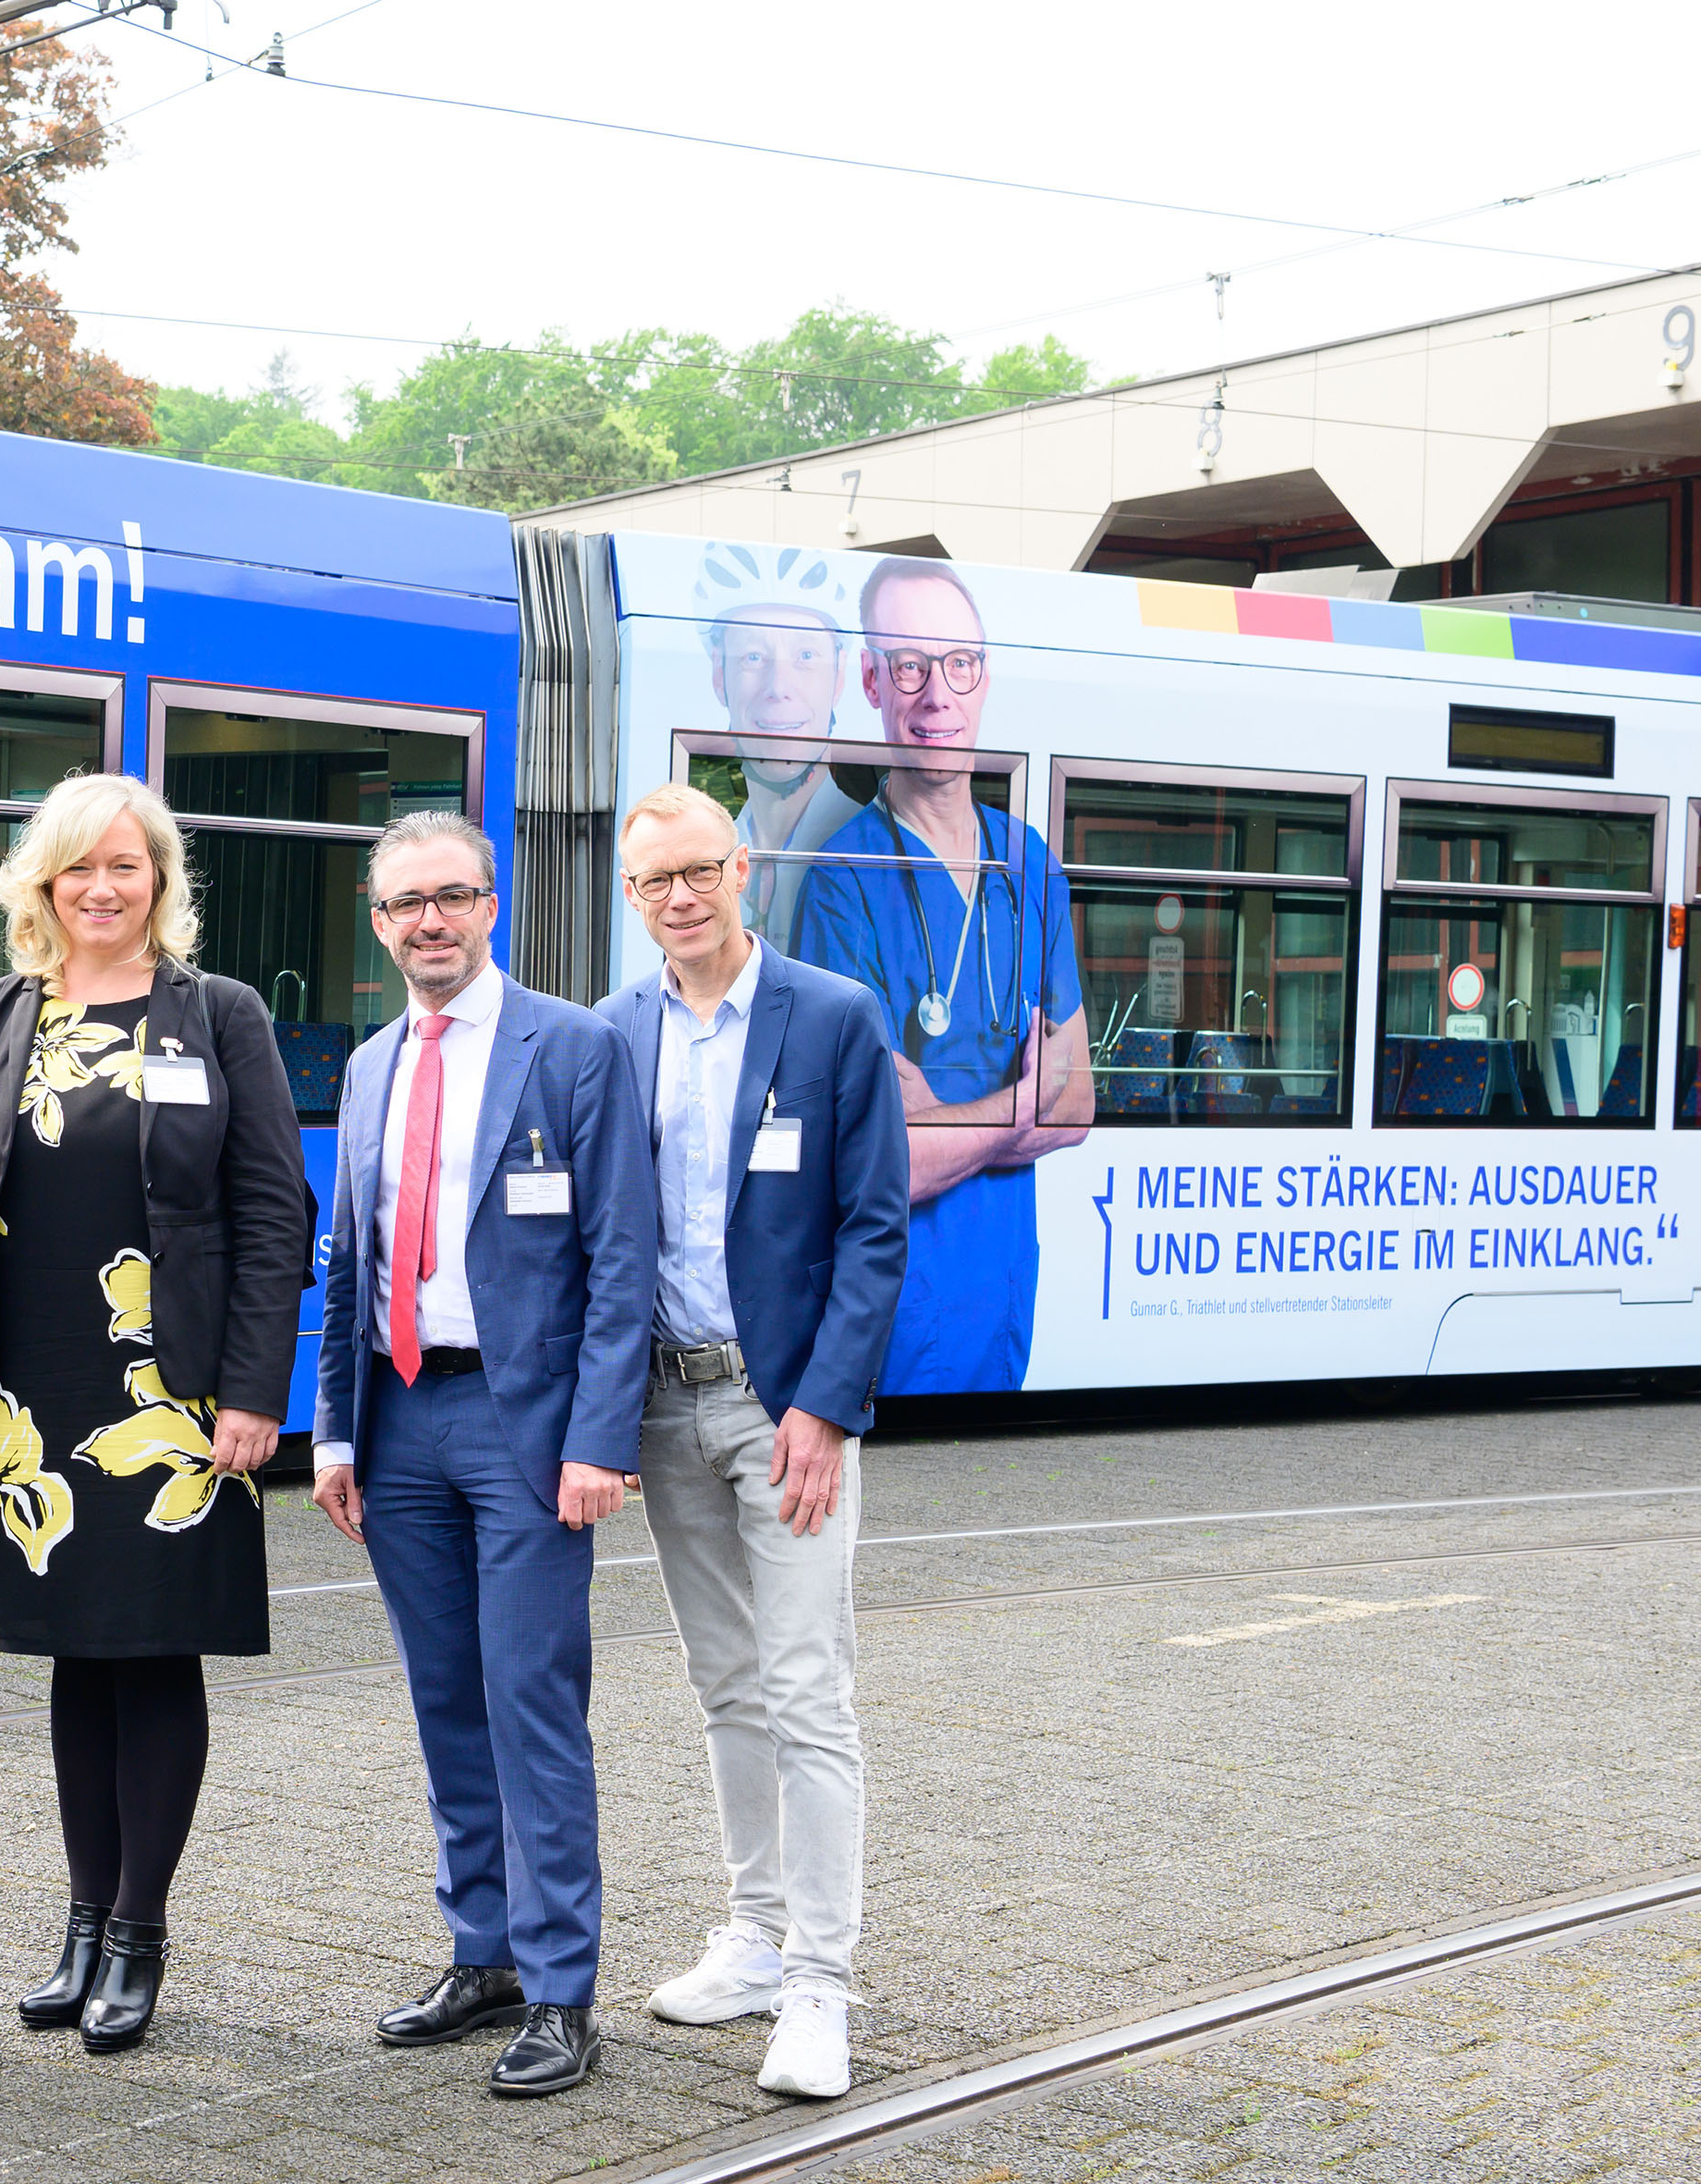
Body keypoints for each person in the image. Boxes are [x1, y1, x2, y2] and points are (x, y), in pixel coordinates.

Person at [0, 770, 311, 2055]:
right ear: (40, 883)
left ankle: (138, 1929)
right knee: (73, 1653)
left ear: (158, 882)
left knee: (153, 1649)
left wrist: (254, 1389)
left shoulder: (218, 1014)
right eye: (76, 865)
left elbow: (270, 1211)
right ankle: (80, 1923)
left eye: (124, 866)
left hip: (170, 1389)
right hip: (29, 1388)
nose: (99, 886)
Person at [308, 809, 655, 2100]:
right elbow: (343, 1255)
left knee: (530, 1700)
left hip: (524, 1430)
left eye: (449, 896)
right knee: (443, 1695)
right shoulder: (366, 1065)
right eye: (403, 903)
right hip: (396, 1419)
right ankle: (483, 1951)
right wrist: (333, 1428)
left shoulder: (571, 1047)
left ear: (489, 904)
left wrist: (597, 1443)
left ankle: (564, 1989)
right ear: (377, 919)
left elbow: (619, 1259)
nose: (428, 921)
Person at [598, 782, 910, 2102]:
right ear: (630, 899)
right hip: (665, 1404)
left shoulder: (830, 1017)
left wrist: (826, 1405)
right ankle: (752, 1933)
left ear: (741, 868)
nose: (678, 895)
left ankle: (821, 1986)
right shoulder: (612, 1034)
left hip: (780, 1409)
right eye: (652, 880)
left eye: (697, 870)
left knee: (804, 1689)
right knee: (722, 1681)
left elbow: (873, 1226)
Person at [793, 558, 1091, 1395]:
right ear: (871, 682)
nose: (936, 695)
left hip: (1001, 1289)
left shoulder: (1027, 862)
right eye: (909, 666)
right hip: (896, 1298)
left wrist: (950, 1119)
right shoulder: (841, 879)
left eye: (958, 663)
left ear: (984, 677)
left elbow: (1076, 1107)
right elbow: (893, 1161)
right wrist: (1016, 1106)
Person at [692, 543, 862, 954]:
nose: (778, 689)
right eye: (753, 656)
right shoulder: (704, 839)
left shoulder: (868, 844)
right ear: (720, 674)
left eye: (806, 656)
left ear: (839, 677)